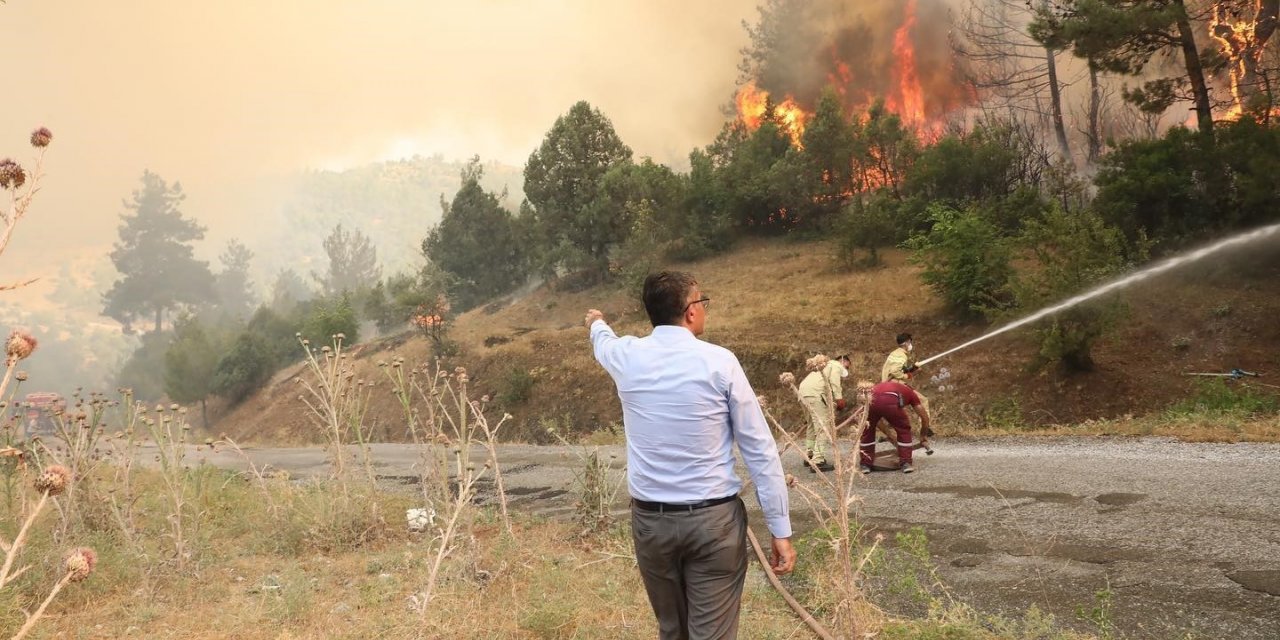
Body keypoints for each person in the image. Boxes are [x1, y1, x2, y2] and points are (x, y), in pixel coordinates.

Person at [586, 271, 796, 639]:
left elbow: (603, 342)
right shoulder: (720, 362)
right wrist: (780, 528)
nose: (703, 308)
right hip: (713, 525)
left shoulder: (626, 356)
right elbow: (759, 449)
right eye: (702, 301)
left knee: (672, 630)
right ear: (690, 312)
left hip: (652, 525)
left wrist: (596, 322)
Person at [859, 379, 932, 474]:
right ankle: (906, 463)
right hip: (890, 401)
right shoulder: (911, 393)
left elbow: (877, 420)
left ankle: (865, 464)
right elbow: (924, 417)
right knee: (903, 429)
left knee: (868, 430)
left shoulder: (883, 386)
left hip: (869, 400)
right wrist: (923, 435)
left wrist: (889, 434)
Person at [797, 353, 849, 472]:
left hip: (803, 393)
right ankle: (818, 460)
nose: (847, 369)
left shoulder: (822, 366)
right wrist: (839, 398)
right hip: (816, 395)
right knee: (822, 427)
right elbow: (835, 382)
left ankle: (809, 454)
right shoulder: (835, 365)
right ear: (843, 361)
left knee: (811, 425)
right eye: (848, 366)